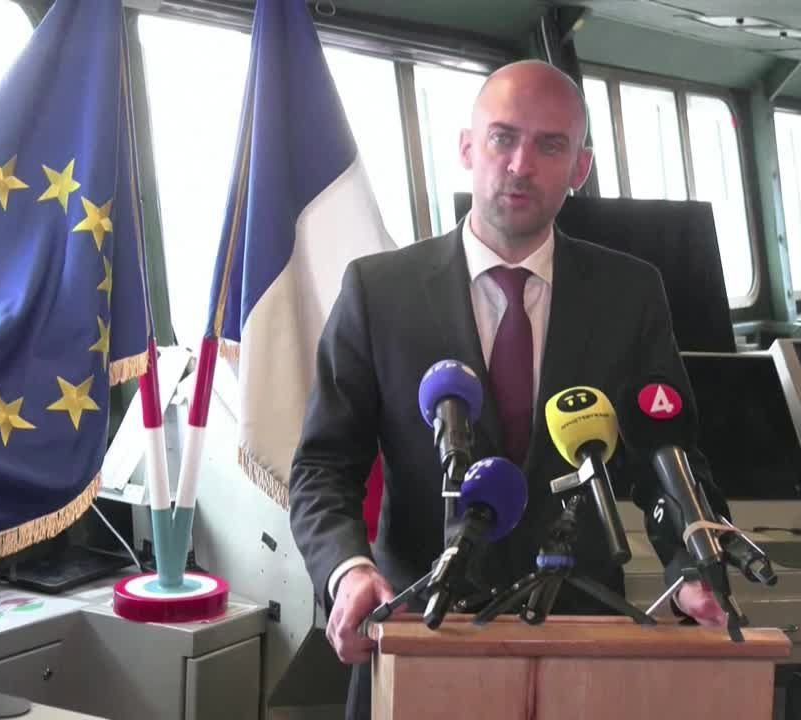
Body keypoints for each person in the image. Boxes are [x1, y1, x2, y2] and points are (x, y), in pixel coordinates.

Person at [288, 60, 729, 719]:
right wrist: (348, 570)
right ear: (468, 148)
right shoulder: (378, 293)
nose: (521, 164)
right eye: (503, 137)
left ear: (579, 168)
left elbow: (668, 458)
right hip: (417, 630)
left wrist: (690, 563)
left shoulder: (631, 295)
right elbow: (323, 467)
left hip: (581, 631)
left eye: (550, 145)